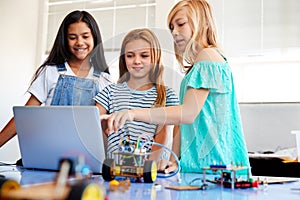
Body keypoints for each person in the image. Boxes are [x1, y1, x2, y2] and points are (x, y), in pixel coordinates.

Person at [101, 0, 250, 173]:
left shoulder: (208, 57)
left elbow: (186, 114)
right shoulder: (198, 65)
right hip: (199, 166)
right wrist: (174, 160)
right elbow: (186, 125)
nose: (174, 32)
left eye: (180, 24)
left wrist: (133, 114)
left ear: (201, 23)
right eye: (172, 27)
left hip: (215, 164)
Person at [0, 10, 112, 147]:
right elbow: (23, 118)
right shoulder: (50, 72)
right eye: (72, 37)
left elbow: (103, 128)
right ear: (65, 40)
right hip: (50, 149)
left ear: (94, 38)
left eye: (85, 36)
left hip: (85, 157)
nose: (79, 42)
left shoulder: (104, 80)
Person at [95, 28, 179, 161]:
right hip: (115, 170)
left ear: (154, 57)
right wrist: (102, 122)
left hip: (151, 171)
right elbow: (92, 123)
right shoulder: (109, 92)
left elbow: (170, 136)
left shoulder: (168, 96)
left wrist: (151, 165)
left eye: (144, 55)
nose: (136, 61)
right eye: (130, 55)